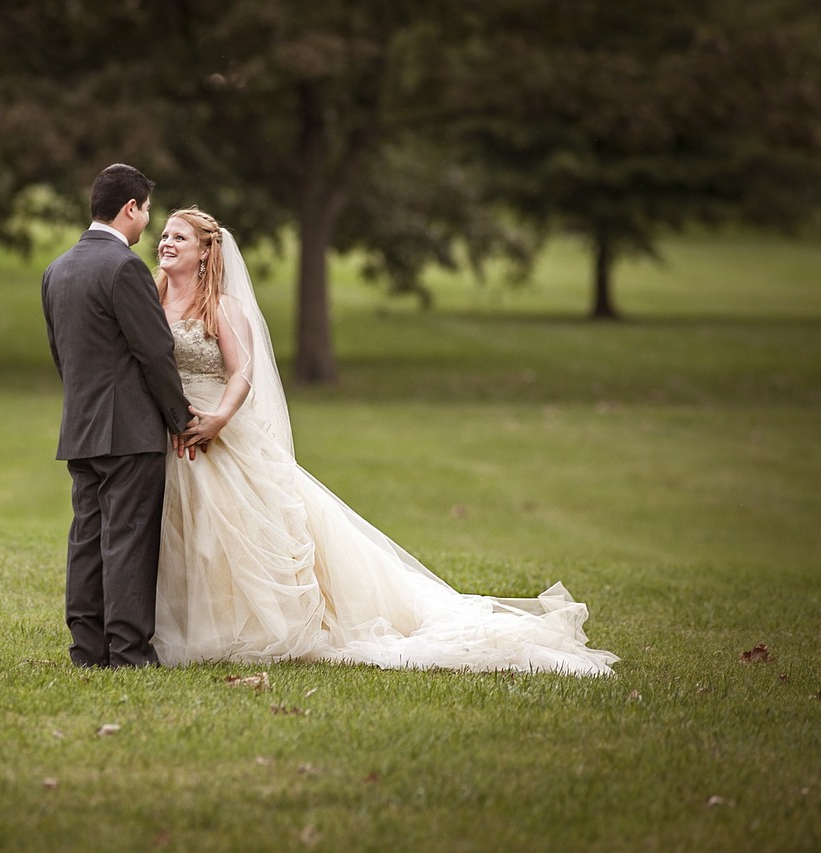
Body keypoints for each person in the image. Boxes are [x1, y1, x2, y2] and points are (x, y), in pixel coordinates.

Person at [153, 207, 618, 675]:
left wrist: (219, 419)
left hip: (221, 432)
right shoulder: (150, 296)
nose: (166, 242)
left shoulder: (223, 308)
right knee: (185, 530)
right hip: (166, 432)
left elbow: (242, 373)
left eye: (179, 237)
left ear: (206, 252)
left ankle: (247, 624)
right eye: (165, 234)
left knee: (237, 529)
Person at [41, 165, 198, 668]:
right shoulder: (124, 268)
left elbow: (62, 354)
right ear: (130, 207)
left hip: (80, 427)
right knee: (129, 538)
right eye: (148, 210)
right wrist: (181, 418)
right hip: (129, 430)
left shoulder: (57, 269)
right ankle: (129, 652)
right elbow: (154, 351)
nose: (149, 222)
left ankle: (87, 649)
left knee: (87, 538)